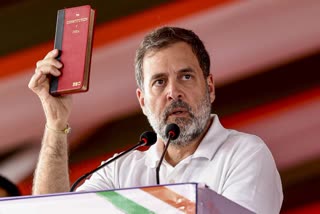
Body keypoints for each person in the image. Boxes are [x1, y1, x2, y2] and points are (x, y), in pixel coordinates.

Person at [29, 26, 283, 213]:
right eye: (159, 82)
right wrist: (55, 122)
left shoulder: (245, 154)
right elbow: (50, 211)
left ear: (210, 87)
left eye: (185, 77)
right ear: (142, 100)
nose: (173, 92)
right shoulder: (120, 171)